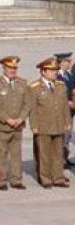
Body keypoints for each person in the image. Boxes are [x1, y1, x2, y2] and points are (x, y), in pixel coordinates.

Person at [27, 58, 71, 188]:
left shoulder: (61, 86)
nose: (54, 73)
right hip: (43, 125)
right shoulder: (34, 87)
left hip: (58, 123)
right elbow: (32, 109)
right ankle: (45, 177)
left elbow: (64, 106)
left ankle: (58, 177)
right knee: (44, 153)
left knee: (58, 153)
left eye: (55, 70)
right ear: (43, 72)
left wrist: (67, 121)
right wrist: (34, 125)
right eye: (51, 71)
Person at [0, 55, 28, 190]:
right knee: (2, 154)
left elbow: (27, 104)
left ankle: (16, 180)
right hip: (3, 126)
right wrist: (7, 119)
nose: (13, 70)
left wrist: (21, 118)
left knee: (17, 154)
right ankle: (1, 181)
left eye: (15, 68)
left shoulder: (22, 83)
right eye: (10, 68)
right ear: (4, 68)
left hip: (18, 125)